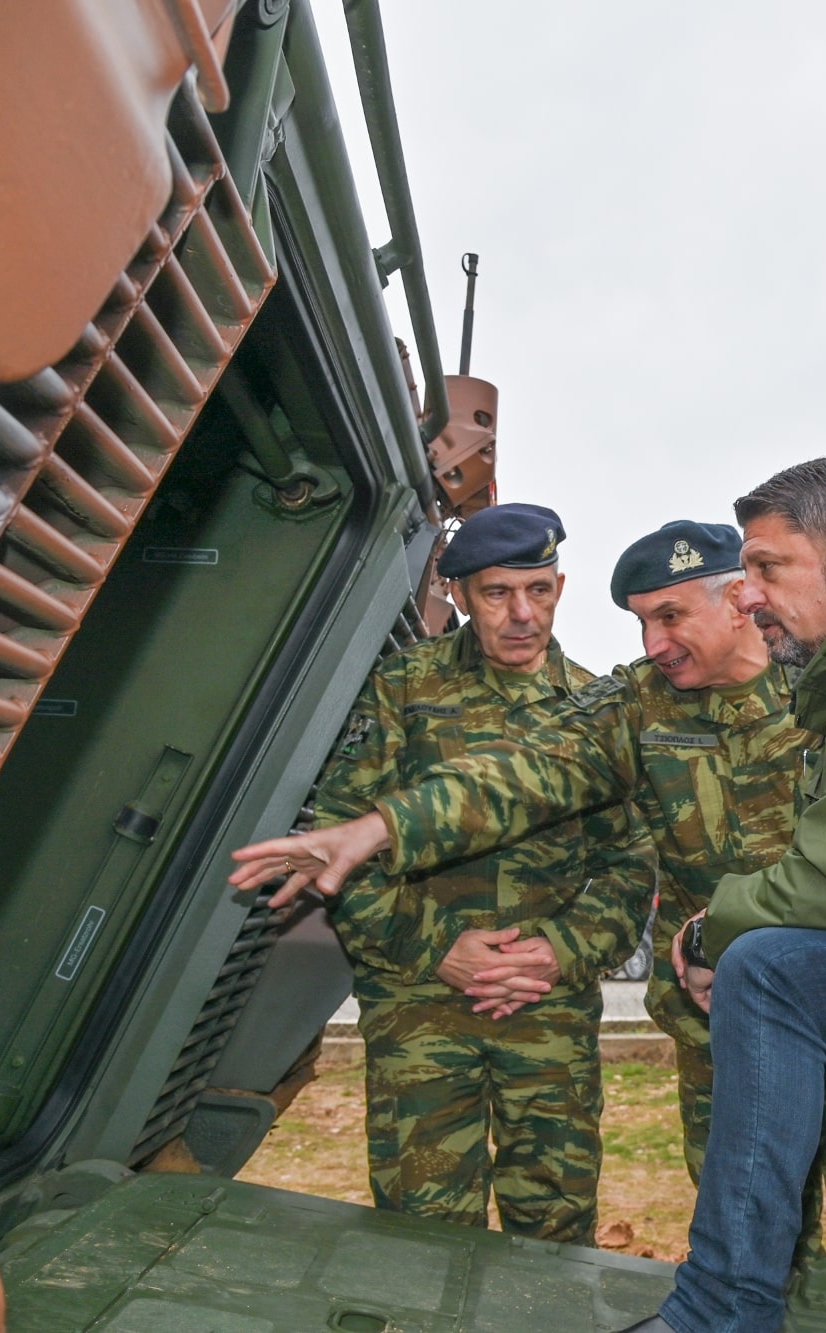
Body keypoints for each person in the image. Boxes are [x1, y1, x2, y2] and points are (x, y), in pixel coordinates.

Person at [233, 462, 826, 1333]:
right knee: (773, 1238)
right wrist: (378, 827)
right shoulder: (642, 705)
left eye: (668, 617)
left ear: (737, 597)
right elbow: (527, 769)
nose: (652, 644)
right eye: (640, 623)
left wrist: (705, 936)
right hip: (730, 1032)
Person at [312, 503, 657, 1243]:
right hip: (420, 1005)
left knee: (556, 1225)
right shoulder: (403, 689)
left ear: (560, 586)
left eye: (538, 590)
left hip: (546, 1006)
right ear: (460, 592)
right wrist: (434, 946)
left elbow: (629, 866)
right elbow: (338, 842)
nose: (522, 613)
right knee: (423, 1230)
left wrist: (556, 950)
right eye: (498, 593)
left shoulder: (598, 708)